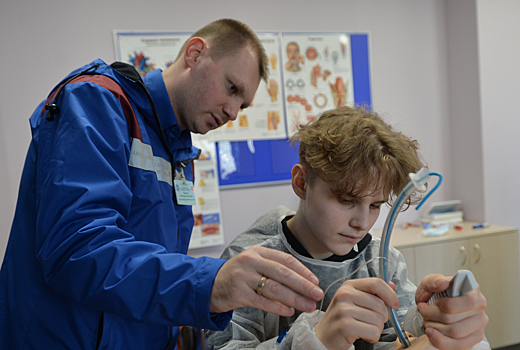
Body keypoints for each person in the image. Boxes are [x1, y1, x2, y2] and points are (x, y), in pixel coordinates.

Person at [0, 19, 324, 349]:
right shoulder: (97, 101)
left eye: (242, 105)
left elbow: (154, 267)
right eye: (231, 88)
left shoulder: (180, 154)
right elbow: (77, 250)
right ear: (195, 53)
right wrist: (209, 284)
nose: (232, 112)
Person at [205, 106, 489, 350]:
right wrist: (316, 340)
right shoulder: (248, 263)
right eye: (346, 200)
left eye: (375, 205)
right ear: (302, 183)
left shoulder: (380, 259)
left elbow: (397, 338)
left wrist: (431, 322)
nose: (362, 222)